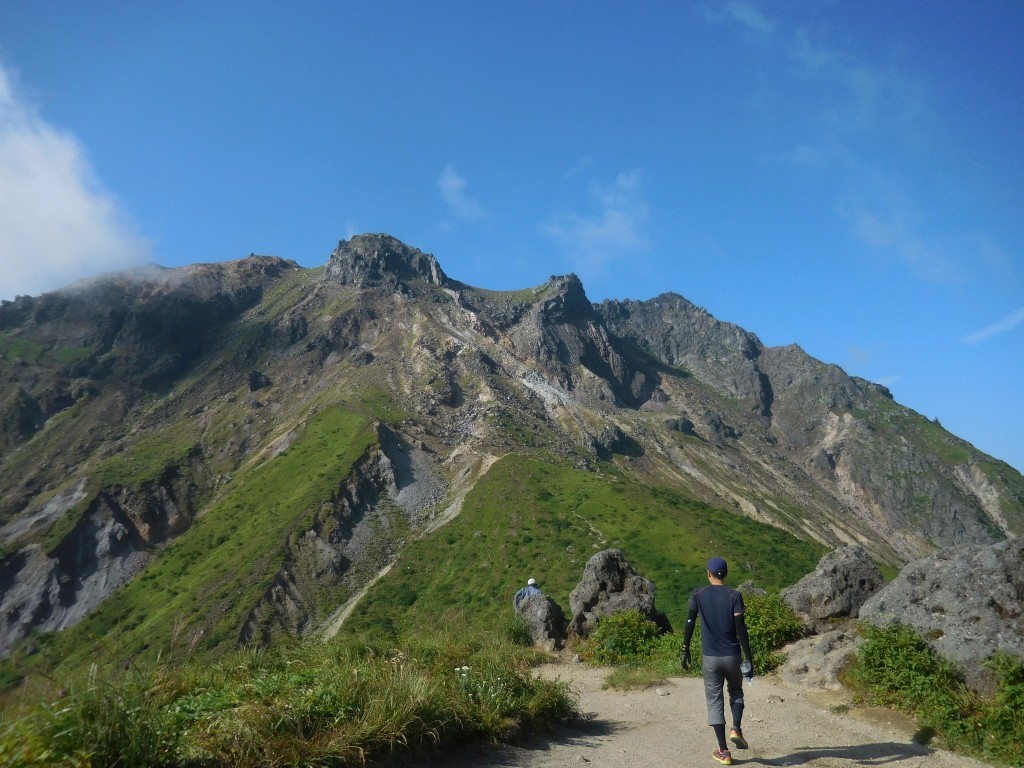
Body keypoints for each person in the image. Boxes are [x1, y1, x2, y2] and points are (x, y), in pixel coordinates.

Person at [681, 557, 754, 766]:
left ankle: (723, 751)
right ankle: (736, 728)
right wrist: (748, 659)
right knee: (736, 691)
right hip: (732, 656)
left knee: (714, 701)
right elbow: (742, 630)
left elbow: (689, 623)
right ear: (726, 574)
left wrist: (685, 650)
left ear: (708, 574)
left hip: (710, 658)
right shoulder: (735, 596)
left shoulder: (698, 595)